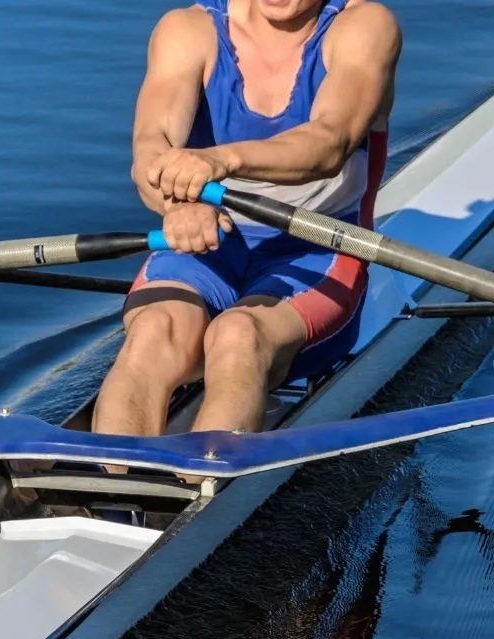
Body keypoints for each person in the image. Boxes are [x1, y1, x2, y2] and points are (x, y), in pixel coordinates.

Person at [92, 0, 400, 443]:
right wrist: (178, 206)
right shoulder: (187, 31)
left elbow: (328, 145)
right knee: (153, 332)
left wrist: (221, 160)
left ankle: (205, 488)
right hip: (209, 244)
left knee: (238, 335)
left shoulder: (363, 27)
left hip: (317, 248)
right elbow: (150, 150)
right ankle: (108, 486)